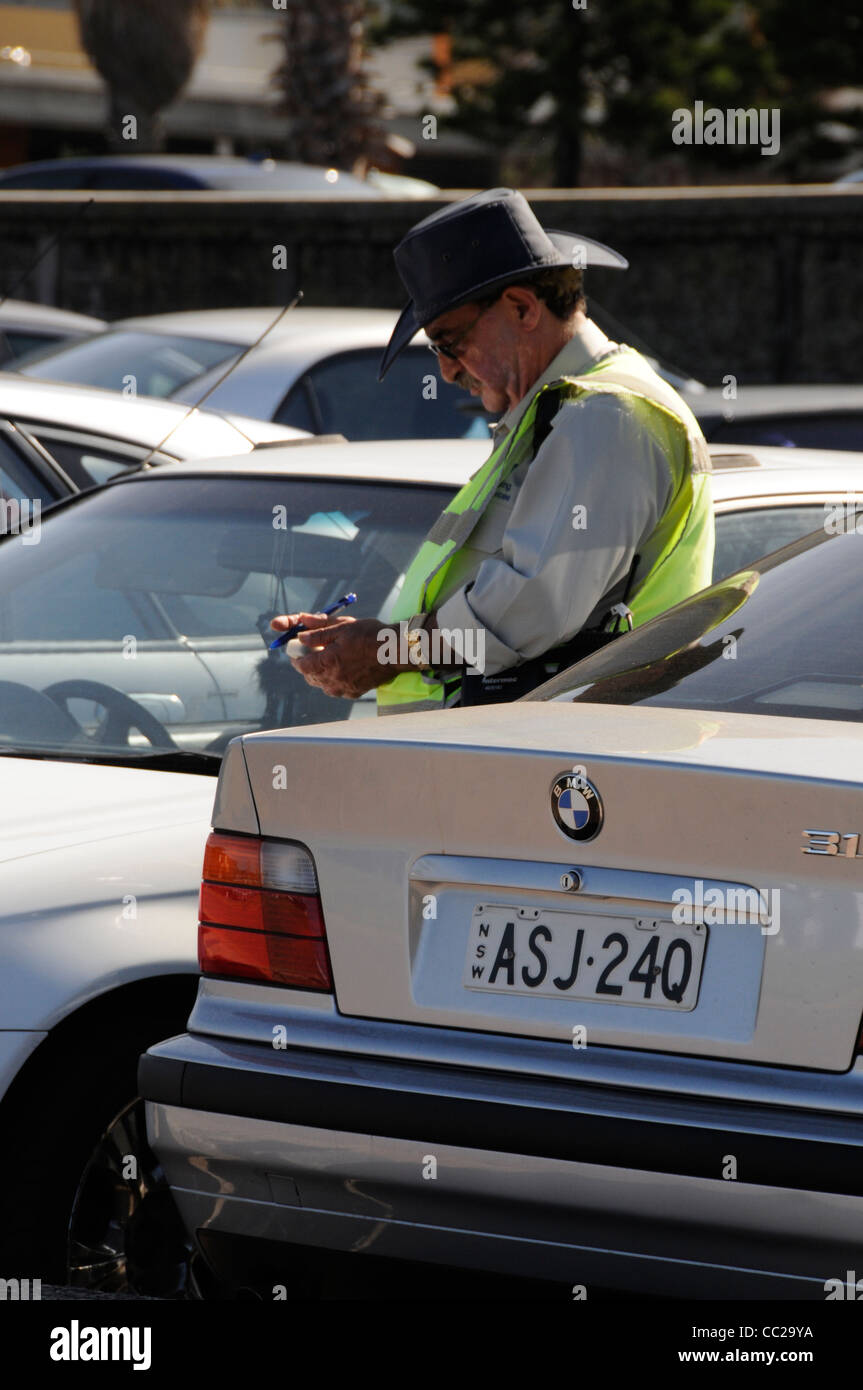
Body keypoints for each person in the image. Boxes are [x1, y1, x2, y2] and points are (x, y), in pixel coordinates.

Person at [271, 186, 715, 714]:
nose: (445, 370)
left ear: (523, 308)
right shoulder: (566, 411)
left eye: (449, 341)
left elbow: (525, 614)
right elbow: (510, 610)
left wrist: (386, 649)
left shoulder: (604, 414)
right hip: (533, 760)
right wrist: (375, 644)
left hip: (563, 764)